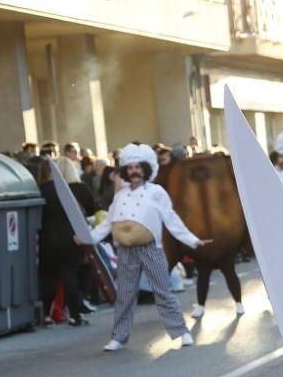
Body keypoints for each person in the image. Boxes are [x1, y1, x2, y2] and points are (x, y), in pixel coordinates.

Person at [89, 143, 212, 351]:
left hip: (150, 248)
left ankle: (181, 332)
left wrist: (192, 240)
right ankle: (119, 337)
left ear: (146, 169)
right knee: (125, 295)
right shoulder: (120, 195)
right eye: (130, 168)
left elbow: (171, 219)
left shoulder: (156, 192)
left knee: (163, 292)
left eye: (138, 167)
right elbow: (109, 222)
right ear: (125, 171)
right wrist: (88, 238)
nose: (134, 171)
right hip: (126, 251)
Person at [37, 157, 96, 326]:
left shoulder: (44, 189)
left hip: (47, 238)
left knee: (49, 276)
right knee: (71, 275)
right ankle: (74, 315)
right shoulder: (81, 189)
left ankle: (47, 316)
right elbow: (93, 210)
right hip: (73, 238)